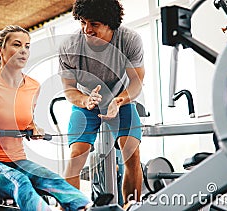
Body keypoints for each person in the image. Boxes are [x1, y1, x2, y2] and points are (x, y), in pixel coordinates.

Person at [0, 25, 91, 211]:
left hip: (17, 161)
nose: (23, 51)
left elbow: (26, 120)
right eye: (17, 45)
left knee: (52, 179)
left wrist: (35, 128)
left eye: (27, 46)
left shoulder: (33, 86)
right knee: (20, 181)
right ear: (0, 50)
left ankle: (86, 208)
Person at [58, 0, 145, 205]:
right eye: (83, 22)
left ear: (110, 23)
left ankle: (132, 207)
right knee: (76, 155)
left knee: (131, 152)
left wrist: (120, 100)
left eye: (94, 24)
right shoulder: (69, 46)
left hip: (120, 99)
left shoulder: (129, 40)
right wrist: (85, 100)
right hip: (87, 102)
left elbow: (136, 81)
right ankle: (71, 207)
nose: (87, 29)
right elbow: (69, 88)